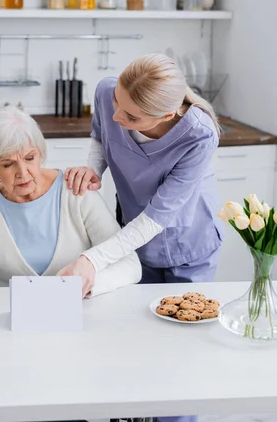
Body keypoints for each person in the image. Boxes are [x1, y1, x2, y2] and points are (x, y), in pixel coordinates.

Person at [60, 53, 224, 297]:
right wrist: (93, 169)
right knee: (139, 319)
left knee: (182, 322)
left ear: (167, 116)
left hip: (188, 240)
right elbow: (101, 133)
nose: (116, 116)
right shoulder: (107, 91)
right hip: (133, 234)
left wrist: (92, 260)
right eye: (117, 101)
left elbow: (158, 216)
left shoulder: (199, 135)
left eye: (132, 117)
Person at [0, 107, 141, 297]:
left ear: (40, 153)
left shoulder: (76, 192)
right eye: (8, 164)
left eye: (30, 158)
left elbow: (130, 265)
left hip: (79, 314)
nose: (23, 173)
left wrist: (86, 283)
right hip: (12, 322)